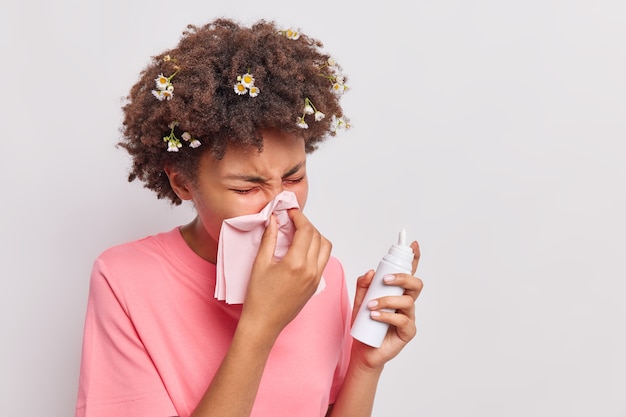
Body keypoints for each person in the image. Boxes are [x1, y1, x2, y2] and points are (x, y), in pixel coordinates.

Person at [76, 18, 424, 417]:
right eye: (246, 189)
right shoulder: (124, 281)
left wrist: (365, 364)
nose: (281, 205)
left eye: (294, 177)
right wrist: (260, 326)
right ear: (183, 184)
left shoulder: (321, 276)